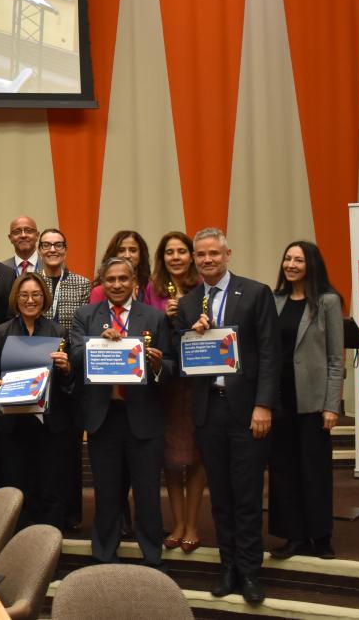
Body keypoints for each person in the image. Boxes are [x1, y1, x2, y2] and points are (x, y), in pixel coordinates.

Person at [177, 228, 278, 604]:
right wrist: (191, 334)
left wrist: (264, 404)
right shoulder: (189, 303)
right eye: (200, 255)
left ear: (227, 253)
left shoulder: (255, 293)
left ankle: (251, 573)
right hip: (208, 410)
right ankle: (228, 568)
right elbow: (181, 360)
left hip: (248, 410)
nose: (207, 260)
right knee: (219, 495)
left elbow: (270, 353)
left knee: (247, 494)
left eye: (213, 254)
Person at [70, 257, 174, 570]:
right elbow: (74, 357)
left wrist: (156, 363)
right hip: (105, 416)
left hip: (144, 416)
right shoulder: (86, 315)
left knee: (147, 492)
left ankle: (152, 556)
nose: (116, 285)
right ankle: (103, 554)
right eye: (110, 280)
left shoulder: (153, 317)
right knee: (106, 491)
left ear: (134, 283)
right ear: (102, 283)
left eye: (123, 279)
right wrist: (96, 345)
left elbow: (171, 366)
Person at [269, 241, 344, 561]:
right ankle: (294, 536)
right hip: (280, 400)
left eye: (299, 260)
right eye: (287, 258)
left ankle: (321, 536)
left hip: (313, 402)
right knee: (284, 471)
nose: (291, 264)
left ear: (311, 264)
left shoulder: (327, 302)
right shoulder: (275, 300)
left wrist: (331, 405)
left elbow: (335, 358)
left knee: (314, 471)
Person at [0, 273, 74, 529]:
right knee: (16, 487)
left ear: (43, 297)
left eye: (35, 294)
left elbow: (67, 382)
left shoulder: (57, 330)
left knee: (50, 488)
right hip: (13, 422)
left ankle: (48, 546)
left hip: (47, 423)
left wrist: (66, 368)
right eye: (24, 295)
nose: (30, 300)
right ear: (16, 298)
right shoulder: (2, 331)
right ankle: (19, 549)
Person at [149, 231, 205, 553]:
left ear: (191, 255)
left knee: (197, 455)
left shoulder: (203, 288)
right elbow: (142, 328)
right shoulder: (151, 290)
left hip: (196, 383)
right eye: (169, 252)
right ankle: (178, 522)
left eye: (181, 251)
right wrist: (164, 318)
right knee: (170, 457)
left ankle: (194, 524)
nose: (175, 258)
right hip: (166, 384)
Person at [33, 226, 92, 532]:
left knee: (69, 446)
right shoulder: (30, 282)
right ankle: (42, 508)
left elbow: (83, 328)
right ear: (39, 250)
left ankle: (70, 513)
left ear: (66, 249)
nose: (52, 250)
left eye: (58, 245)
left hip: (70, 375)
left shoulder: (82, 284)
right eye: (46, 245)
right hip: (36, 371)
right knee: (42, 447)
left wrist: (68, 359)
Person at [90, 230, 152, 303]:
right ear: (113, 255)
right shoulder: (99, 291)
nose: (127, 255)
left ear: (141, 255)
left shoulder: (151, 288)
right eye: (121, 250)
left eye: (133, 250)